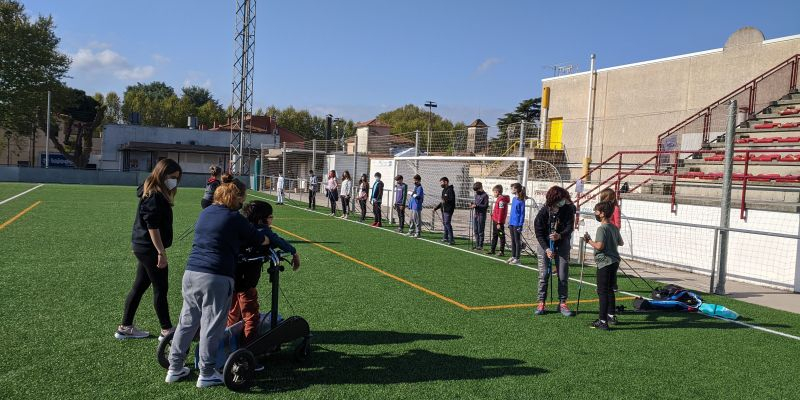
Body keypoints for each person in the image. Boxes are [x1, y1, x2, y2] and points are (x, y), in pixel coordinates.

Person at [165, 174, 270, 387]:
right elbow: (260, 238)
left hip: (191, 273)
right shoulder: (234, 218)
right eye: (242, 198)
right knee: (212, 325)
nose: (243, 203)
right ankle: (207, 372)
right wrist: (267, 238)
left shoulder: (205, 213)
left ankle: (174, 367)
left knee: (187, 322)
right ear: (235, 197)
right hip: (216, 276)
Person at [117, 158, 182, 341]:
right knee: (160, 288)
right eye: (171, 177)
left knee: (139, 287)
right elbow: (152, 227)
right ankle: (166, 330)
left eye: (177, 178)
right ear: (162, 175)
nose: (174, 181)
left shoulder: (153, 192)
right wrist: (161, 252)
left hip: (143, 247)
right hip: (149, 249)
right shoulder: (154, 195)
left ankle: (125, 327)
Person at [228, 200, 300, 346]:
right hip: (247, 282)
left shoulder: (242, 228)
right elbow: (279, 241)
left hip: (231, 278)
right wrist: (294, 253)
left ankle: (226, 340)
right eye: (271, 216)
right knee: (251, 316)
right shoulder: (262, 231)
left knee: (232, 312)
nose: (272, 219)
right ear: (262, 219)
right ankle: (249, 347)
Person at [533, 186, 576, 317]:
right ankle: (541, 302)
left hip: (562, 244)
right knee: (544, 275)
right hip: (545, 246)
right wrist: (546, 249)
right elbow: (539, 233)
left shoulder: (568, 209)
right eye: (561, 199)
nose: (563, 201)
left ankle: (562, 303)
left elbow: (570, 227)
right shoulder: (543, 212)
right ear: (554, 200)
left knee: (563, 276)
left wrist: (560, 235)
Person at [584, 201, 624, 330]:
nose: (595, 213)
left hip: (605, 263)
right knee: (610, 290)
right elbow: (620, 242)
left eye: (597, 211)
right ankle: (611, 315)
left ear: (602, 214)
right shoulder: (613, 227)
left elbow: (600, 246)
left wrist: (589, 241)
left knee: (602, 292)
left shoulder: (602, 228)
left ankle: (602, 320)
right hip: (614, 262)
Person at [507, 183, 526, 265]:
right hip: (512, 222)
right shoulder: (514, 199)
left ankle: (518, 258)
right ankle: (513, 256)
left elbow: (522, 214)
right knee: (513, 240)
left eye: (513, 188)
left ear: (517, 189)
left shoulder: (521, 201)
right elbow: (512, 212)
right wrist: (509, 222)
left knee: (517, 241)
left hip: (517, 223)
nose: (512, 190)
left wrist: (520, 224)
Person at [487, 184, 509, 257]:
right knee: (495, 235)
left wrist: (499, 222)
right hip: (495, 220)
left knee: (501, 236)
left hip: (499, 222)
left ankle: (501, 251)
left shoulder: (501, 200)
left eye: (494, 192)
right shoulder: (499, 199)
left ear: (497, 192)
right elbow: (497, 210)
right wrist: (493, 215)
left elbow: (501, 212)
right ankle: (492, 249)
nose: (493, 194)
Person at [433, 177, 455, 245]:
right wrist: (436, 208)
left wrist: (446, 200)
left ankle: (451, 239)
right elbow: (442, 202)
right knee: (445, 224)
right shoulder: (444, 190)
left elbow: (452, 200)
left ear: (446, 182)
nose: (441, 184)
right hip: (443, 210)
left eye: (442, 182)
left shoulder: (450, 190)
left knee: (447, 224)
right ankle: (445, 238)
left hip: (448, 210)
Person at [470, 182, 489, 251]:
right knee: (475, 230)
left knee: (480, 230)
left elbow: (485, 206)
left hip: (481, 215)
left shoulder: (485, 195)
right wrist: (472, 204)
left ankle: (480, 245)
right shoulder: (476, 195)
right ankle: (477, 244)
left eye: (477, 190)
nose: (476, 192)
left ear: (480, 188)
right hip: (476, 215)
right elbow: (476, 203)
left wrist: (477, 206)